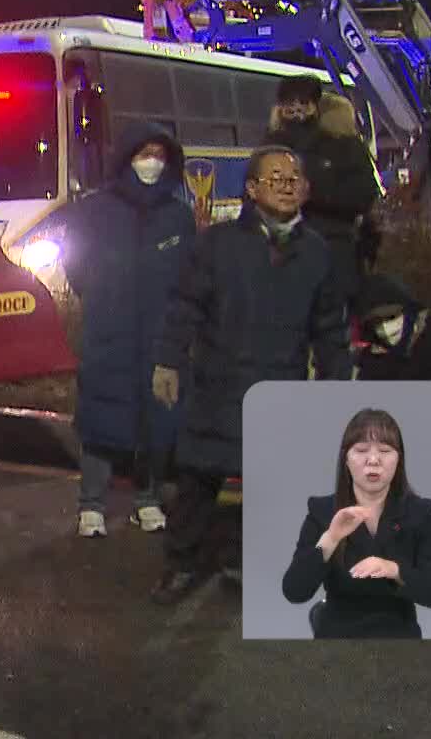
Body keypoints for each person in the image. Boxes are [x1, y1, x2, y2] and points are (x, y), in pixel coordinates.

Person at [149, 146, 351, 605]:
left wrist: (337, 384)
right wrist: (168, 360)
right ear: (251, 188)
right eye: (275, 177)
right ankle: (180, 565)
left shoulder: (317, 253)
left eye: (294, 177)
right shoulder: (218, 244)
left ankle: (243, 562)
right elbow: (185, 306)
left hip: (281, 388)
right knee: (198, 482)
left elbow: (330, 329)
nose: (286, 184)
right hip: (220, 383)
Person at [62, 122, 193, 538]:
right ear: (126, 157)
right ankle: (91, 504)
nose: (151, 162)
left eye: (158, 154)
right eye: (143, 153)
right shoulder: (95, 209)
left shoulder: (178, 214)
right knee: (101, 416)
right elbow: (76, 266)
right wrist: (102, 299)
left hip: (160, 332)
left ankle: (147, 498)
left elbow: (191, 275)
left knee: (155, 419)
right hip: (110, 329)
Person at [280, 408, 431, 637]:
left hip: (400, 640)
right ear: (346, 461)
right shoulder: (322, 511)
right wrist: (331, 538)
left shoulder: (420, 514)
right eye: (361, 450)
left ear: (399, 460)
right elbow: (295, 591)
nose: (373, 460)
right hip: (336, 639)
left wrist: (394, 570)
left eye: (385, 450)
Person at [264, 78, 381, 306]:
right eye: (290, 102)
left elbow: (364, 193)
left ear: (316, 104)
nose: (296, 109)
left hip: (333, 256)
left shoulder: (341, 143)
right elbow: (251, 197)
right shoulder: (269, 147)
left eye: (303, 102)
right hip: (282, 256)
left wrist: (315, 194)